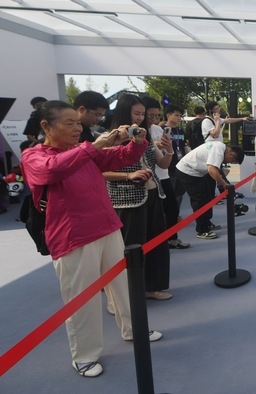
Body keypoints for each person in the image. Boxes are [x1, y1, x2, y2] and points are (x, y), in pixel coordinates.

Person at [19, 100, 162, 378]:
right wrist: (93, 146)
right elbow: (53, 170)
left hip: (107, 227)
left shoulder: (80, 151)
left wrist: (135, 143)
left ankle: (134, 329)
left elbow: (119, 159)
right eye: (69, 123)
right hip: (73, 236)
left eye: (78, 123)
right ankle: (84, 355)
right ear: (46, 126)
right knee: (81, 298)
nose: (76, 128)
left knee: (122, 285)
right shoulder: (34, 156)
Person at [103, 94, 174, 301]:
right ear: (125, 112)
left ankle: (151, 287)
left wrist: (168, 149)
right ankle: (121, 297)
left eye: (143, 114)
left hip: (152, 194)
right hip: (126, 199)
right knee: (129, 248)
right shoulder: (110, 137)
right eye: (137, 113)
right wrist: (128, 175)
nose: (141, 118)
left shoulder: (147, 136)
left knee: (156, 244)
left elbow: (162, 165)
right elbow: (100, 171)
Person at [143, 97, 190, 250]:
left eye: (157, 115)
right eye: (150, 115)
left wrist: (167, 149)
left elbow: (164, 159)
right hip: (146, 179)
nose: (154, 119)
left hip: (165, 173)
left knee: (172, 207)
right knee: (153, 214)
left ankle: (171, 239)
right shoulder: (131, 131)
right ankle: (153, 245)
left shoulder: (158, 130)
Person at [176, 142, 245, 239]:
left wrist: (225, 181)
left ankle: (207, 223)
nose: (229, 163)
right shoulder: (219, 151)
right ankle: (202, 230)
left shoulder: (220, 148)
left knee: (208, 197)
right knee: (199, 201)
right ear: (231, 154)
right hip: (188, 172)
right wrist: (225, 185)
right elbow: (211, 169)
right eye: (232, 161)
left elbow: (216, 169)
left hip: (198, 173)